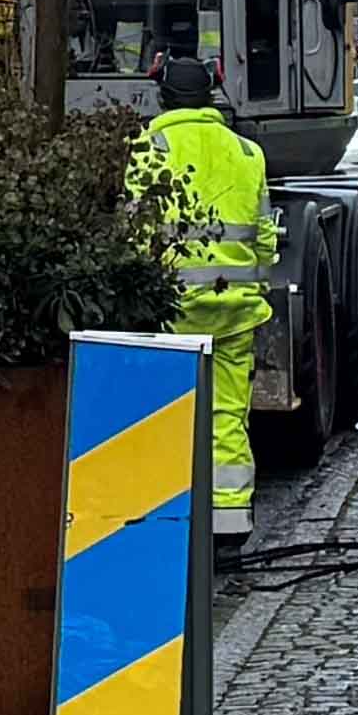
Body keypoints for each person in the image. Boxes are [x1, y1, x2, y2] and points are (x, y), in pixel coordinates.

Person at [141, 56, 278, 540]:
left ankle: (169, 527)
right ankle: (229, 529)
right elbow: (263, 236)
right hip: (235, 313)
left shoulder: (148, 148)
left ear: (163, 96)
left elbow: (134, 233)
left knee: (165, 418)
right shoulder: (247, 154)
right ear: (212, 93)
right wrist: (255, 287)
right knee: (226, 418)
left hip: (169, 313)